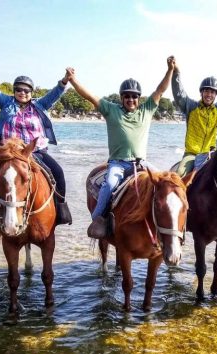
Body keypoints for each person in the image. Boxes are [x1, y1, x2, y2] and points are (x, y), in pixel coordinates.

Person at [68, 56, 176, 239]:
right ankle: (98, 219)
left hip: (142, 163)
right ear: (121, 98)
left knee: (167, 183)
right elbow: (89, 96)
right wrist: (73, 80)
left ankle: (172, 227)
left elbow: (160, 89)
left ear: (139, 98)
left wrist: (170, 70)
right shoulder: (111, 110)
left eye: (134, 96)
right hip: (119, 164)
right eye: (127, 96)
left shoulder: (147, 110)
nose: (130, 99)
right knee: (109, 184)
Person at [0, 49, 73, 231]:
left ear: (31, 92)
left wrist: (64, 81)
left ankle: (61, 208)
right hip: (9, 153)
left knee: (58, 172)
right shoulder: (5, 102)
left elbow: (55, 94)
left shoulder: (40, 105)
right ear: (14, 91)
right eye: (18, 89)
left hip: (35, 152)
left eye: (26, 90)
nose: (22, 93)